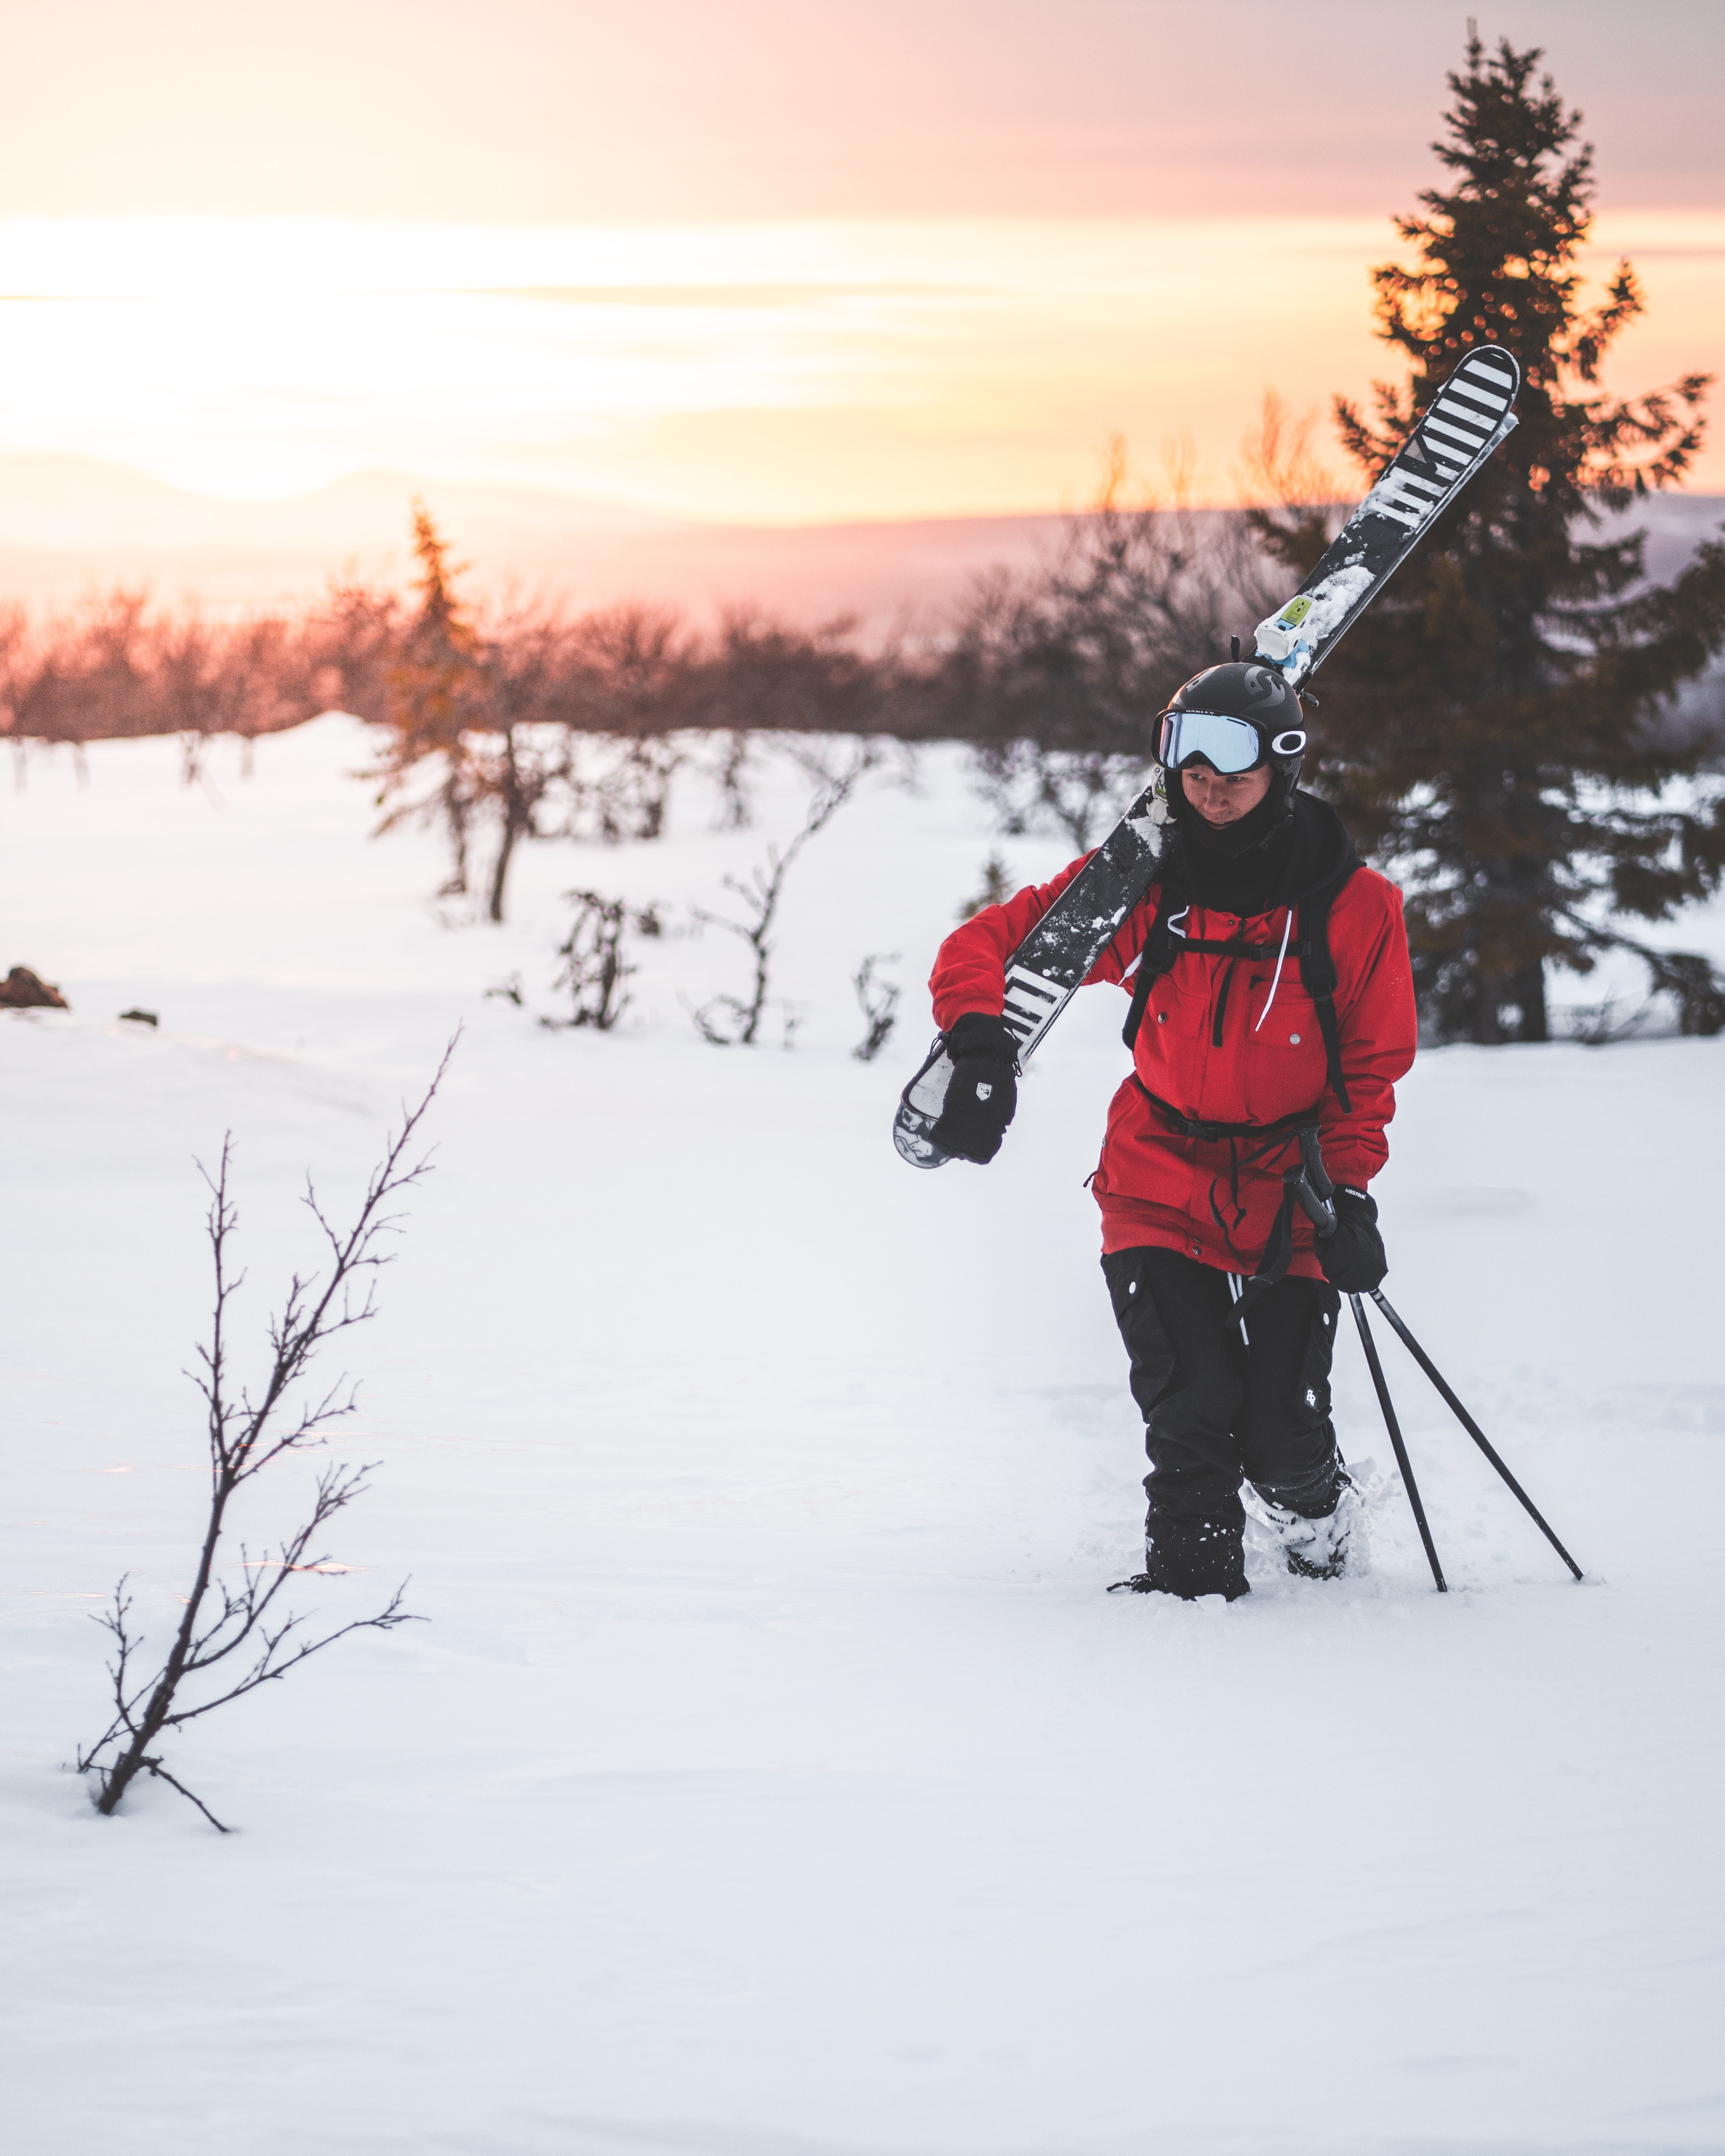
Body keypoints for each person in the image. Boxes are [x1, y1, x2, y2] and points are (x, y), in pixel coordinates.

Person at [924, 661, 1417, 1600]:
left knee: (1276, 1423)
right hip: (1157, 1171)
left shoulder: (1355, 908)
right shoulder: (1142, 886)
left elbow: (1369, 1073)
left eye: (1232, 755)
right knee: (1191, 1403)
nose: (1207, 777)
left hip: (1291, 1179)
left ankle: (1316, 1512)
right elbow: (985, 943)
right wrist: (980, 1039)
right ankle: (1189, 1594)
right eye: (1183, 751)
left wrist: (1348, 1191)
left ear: (1282, 761)